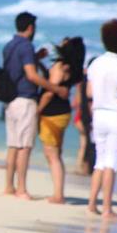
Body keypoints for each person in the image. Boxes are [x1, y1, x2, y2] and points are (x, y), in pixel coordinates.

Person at [1, 12, 68, 199]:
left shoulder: (9, 46)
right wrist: (56, 88)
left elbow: (16, 70)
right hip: (25, 99)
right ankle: (21, 189)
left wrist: (36, 57)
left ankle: (8, 187)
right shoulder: (26, 46)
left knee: (13, 145)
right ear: (30, 28)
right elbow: (31, 75)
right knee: (25, 146)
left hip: (10, 100)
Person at [87, 19, 117, 219]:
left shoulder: (96, 63)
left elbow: (89, 91)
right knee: (111, 162)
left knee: (99, 161)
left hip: (98, 114)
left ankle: (92, 204)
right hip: (116, 115)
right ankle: (107, 208)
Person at [37, 37, 85, 203]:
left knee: (52, 154)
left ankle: (58, 195)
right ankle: (58, 192)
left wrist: (37, 110)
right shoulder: (72, 67)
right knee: (56, 153)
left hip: (51, 113)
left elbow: (50, 91)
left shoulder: (60, 65)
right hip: (63, 112)